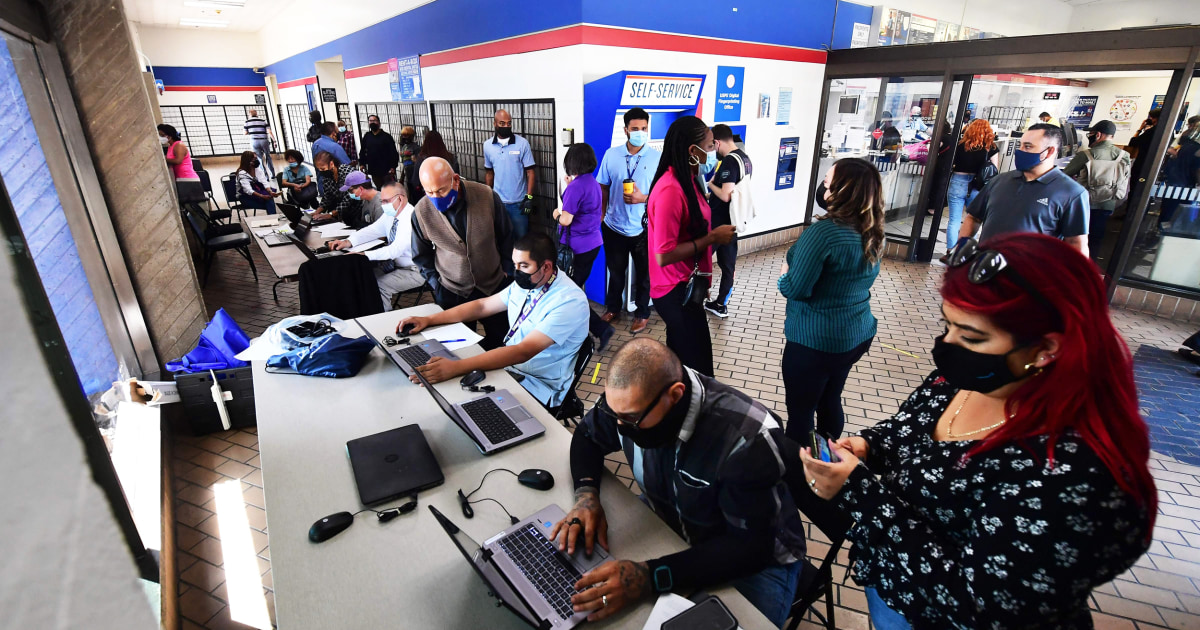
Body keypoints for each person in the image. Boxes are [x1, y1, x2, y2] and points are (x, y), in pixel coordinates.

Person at [799, 233, 1156, 629]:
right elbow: (913, 428)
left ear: (1045, 349)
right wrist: (871, 446)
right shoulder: (971, 376)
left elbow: (982, 606)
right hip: (893, 594)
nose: (948, 345)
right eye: (947, 324)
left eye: (971, 336)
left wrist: (857, 491)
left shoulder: (1074, 472)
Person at [552, 338, 807, 627]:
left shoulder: (746, 438)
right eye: (615, 415)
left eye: (631, 418)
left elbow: (749, 550)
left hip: (756, 562)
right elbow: (586, 436)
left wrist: (649, 577)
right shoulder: (629, 401)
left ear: (675, 394)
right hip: (672, 517)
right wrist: (586, 497)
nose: (619, 426)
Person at [399, 232, 588, 409]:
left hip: (538, 384)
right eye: (515, 265)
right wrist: (429, 319)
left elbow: (523, 351)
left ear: (546, 266)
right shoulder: (531, 280)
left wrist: (456, 367)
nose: (517, 272)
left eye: (523, 266)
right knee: (449, 393)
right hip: (510, 366)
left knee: (460, 399)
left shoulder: (569, 301)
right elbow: (482, 306)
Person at [778, 158, 882, 443]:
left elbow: (797, 289)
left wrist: (784, 275)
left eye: (826, 182)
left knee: (800, 414)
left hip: (815, 340)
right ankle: (828, 457)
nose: (822, 187)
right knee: (830, 398)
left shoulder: (823, 232)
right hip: (855, 334)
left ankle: (800, 476)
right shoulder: (871, 228)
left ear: (843, 190)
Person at [646, 116, 736, 377]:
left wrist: (701, 283)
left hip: (686, 284)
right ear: (692, 151)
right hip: (672, 289)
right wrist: (712, 238)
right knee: (699, 370)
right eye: (708, 147)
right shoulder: (670, 190)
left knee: (683, 362)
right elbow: (663, 255)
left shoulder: (690, 180)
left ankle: (679, 408)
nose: (713, 152)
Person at [411, 157, 515, 350]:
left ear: (456, 180)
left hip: (493, 285)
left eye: (441, 190)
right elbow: (420, 255)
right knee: (459, 348)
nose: (436, 197)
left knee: (502, 341)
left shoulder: (486, 196)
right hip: (452, 291)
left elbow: (506, 235)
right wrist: (437, 284)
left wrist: (507, 270)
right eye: (429, 192)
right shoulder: (421, 211)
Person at [959, 124, 1090, 256]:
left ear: (1049, 151)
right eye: (1020, 145)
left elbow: (1076, 244)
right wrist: (960, 251)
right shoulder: (999, 181)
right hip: (985, 270)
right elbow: (973, 218)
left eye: (1028, 146)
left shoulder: (1072, 193)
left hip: (1030, 274)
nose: (1020, 151)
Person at [596, 107, 661, 334]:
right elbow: (603, 185)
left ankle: (642, 313)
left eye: (644, 129)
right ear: (625, 130)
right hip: (613, 226)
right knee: (616, 272)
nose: (640, 133)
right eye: (635, 129)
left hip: (643, 228)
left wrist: (643, 198)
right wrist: (602, 214)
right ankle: (613, 308)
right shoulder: (611, 155)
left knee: (644, 274)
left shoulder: (656, 158)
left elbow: (665, 193)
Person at [553, 143, 615, 351]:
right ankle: (586, 331)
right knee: (574, 290)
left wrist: (555, 214)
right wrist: (568, 186)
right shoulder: (592, 183)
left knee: (568, 293)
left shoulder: (577, 187)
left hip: (575, 248)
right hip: (593, 243)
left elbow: (565, 220)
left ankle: (599, 329)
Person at [328, 181, 423, 310]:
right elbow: (373, 230)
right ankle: (368, 312)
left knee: (379, 285)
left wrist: (364, 255)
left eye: (386, 201)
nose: (383, 205)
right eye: (382, 201)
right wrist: (348, 241)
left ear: (400, 198)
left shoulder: (410, 218)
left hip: (416, 270)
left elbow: (395, 250)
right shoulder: (392, 214)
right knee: (364, 277)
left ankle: (385, 321)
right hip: (396, 265)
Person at [703, 124, 752, 318]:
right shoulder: (744, 157)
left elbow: (725, 195)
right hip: (732, 224)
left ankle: (695, 300)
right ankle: (721, 304)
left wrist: (710, 185)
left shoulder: (729, 161)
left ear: (717, 142)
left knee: (702, 261)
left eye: (711, 146)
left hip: (718, 224)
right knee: (728, 266)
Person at [1063, 119, 1131, 258]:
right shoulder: (1124, 156)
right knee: (1095, 239)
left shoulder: (1086, 155)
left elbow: (1065, 175)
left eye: (1091, 134)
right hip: (1109, 203)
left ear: (1098, 135)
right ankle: (1090, 266)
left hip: (1085, 203)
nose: (1090, 137)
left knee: (1077, 238)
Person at [942, 118, 999, 259]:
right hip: (977, 186)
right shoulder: (991, 147)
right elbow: (994, 168)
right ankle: (967, 252)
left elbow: (951, 163)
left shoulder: (960, 145)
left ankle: (950, 251)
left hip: (957, 181)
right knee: (974, 219)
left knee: (954, 220)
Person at [484, 109, 536, 239]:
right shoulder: (487, 146)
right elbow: (489, 173)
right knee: (502, 239)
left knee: (521, 239)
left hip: (518, 203)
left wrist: (529, 197)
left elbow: (530, 172)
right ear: (495, 124)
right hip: (498, 203)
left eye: (509, 123)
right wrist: (488, 196)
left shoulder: (522, 143)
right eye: (502, 123)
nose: (506, 126)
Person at [1160, 115, 1200, 230]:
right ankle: (1167, 236)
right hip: (1186, 185)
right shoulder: (1196, 149)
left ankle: (1160, 234)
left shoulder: (1186, 145)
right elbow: (1198, 169)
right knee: (1181, 214)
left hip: (1174, 181)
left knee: (1168, 212)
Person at [409, 129, 459, 204]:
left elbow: (415, 182)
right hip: (450, 197)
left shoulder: (422, 160)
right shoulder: (451, 158)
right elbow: (457, 178)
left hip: (428, 199)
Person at [312, 150, 355, 222]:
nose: (321, 171)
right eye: (318, 169)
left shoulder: (347, 172)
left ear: (331, 164)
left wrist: (331, 214)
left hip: (356, 210)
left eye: (323, 168)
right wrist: (317, 212)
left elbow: (349, 197)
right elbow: (327, 197)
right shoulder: (326, 177)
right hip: (342, 213)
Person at [359, 114, 399, 188]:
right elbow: (363, 151)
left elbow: (394, 153)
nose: (372, 122)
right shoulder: (367, 136)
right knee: (379, 190)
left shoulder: (386, 137)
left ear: (379, 123)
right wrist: (362, 164)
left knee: (390, 189)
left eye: (374, 120)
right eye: (370, 121)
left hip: (387, 170)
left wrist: (393, 166)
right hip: (374, 170)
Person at [311, 121, 351, 197]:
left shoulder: (316, 144)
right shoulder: (335, 147)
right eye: (337, 131)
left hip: (321, 185)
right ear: (333, 133)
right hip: (336, 188)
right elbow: (347, 166)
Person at [234, 150, 280, 215]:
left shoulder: (257, 169)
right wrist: (262, 196)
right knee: (269, 203)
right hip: (246, 197)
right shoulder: (242, 173)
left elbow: (264, 182)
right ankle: (273, 218)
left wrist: (270, 191)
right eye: (254, 159)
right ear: (248, 161)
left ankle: (273, 218)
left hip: (258, 193)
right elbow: (248, 190)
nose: (256, 161)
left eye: (256, 158)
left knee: (269, 200)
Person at [243, 108, 276, 178]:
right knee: (268, 157)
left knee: (259, 158)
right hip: (264, 140)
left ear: (249, 114)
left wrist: (252, 132)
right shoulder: (263, 121)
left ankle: (265, 176)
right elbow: (269, 131)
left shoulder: (247, 122)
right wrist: (274, 141)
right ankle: (273, 174)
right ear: (256, 114)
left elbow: (245, 133)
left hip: (254, 141)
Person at [397, 125, 420, 192]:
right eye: (403, 135)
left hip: (414, 173)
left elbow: (418, 162)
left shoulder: (416, 147)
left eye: (407, 135)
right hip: (407, 172)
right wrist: (402, 176)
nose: (405, 137)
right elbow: (404, 162)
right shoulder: (404, 146)